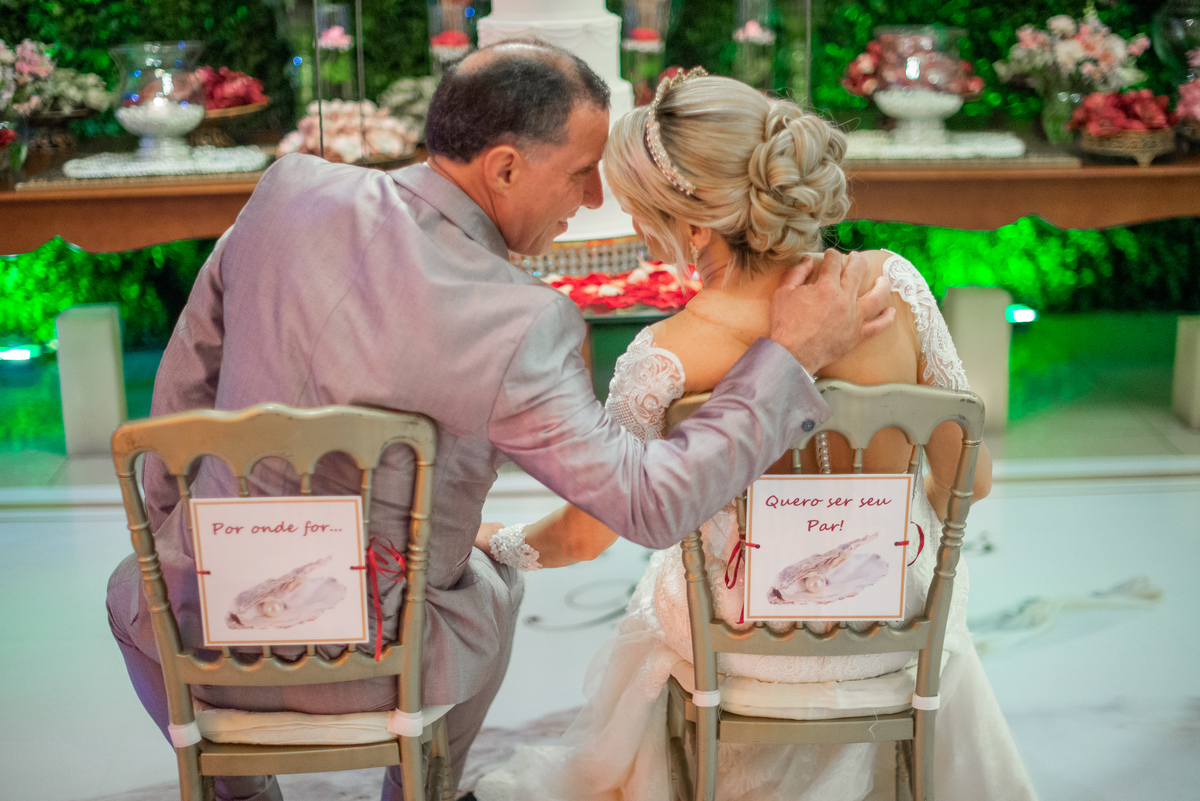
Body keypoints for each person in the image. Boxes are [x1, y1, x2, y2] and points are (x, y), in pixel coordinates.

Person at [105, 43, 894, 801]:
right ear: (506, 168)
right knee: (497, 577)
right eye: (582, 173)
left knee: (128, 589)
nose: (594, 200)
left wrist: (175, 543)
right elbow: (650, 503)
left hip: (194, 630)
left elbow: (185, 383)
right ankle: (422, 786)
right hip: (384, 662)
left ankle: (238, 790)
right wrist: (787, 356)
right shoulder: (518, 321)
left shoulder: (288, 192)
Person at [472, 71, 1038, 800]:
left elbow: (589, 535)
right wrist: (881, 523)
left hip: (739, 651)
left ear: (695, 226)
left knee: (668, 578)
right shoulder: (891, 287)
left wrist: (500, 541)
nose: (636, 229)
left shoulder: (662, 357)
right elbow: (972, 480)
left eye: (640, 212)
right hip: (892, 630)